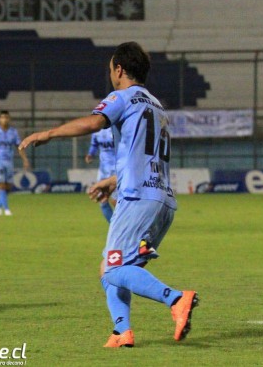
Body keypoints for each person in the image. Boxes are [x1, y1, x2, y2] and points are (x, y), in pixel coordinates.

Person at [19, 42, 198, 347]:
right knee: (111, 266)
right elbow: (147, 155)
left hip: (138, 200)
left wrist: (47, 134)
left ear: (119, 69)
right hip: (161, 201)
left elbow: (94, 122)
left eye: (111, 68)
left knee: (114, 269)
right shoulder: (156, 104)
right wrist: (114, 180)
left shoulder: (122, 97)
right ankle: (121, 331)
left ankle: (176, 298)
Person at [0, 110, 30, 216]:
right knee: (2, 185)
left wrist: (25, 159)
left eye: (6, 117)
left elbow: (19, 146)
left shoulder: (13, 132)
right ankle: (7, 209)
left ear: (9, 119)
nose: (4, 119)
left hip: (9, 160)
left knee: (8, 186)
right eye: (2, 117)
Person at [85, 127, 116, 222]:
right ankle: (114, 227)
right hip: (103, 171)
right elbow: (94, 145)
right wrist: (90, 154)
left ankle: (124, 227)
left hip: (117, 170)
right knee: (101, 199)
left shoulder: (117, 128)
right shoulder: (97, 129)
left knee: (116, 201)